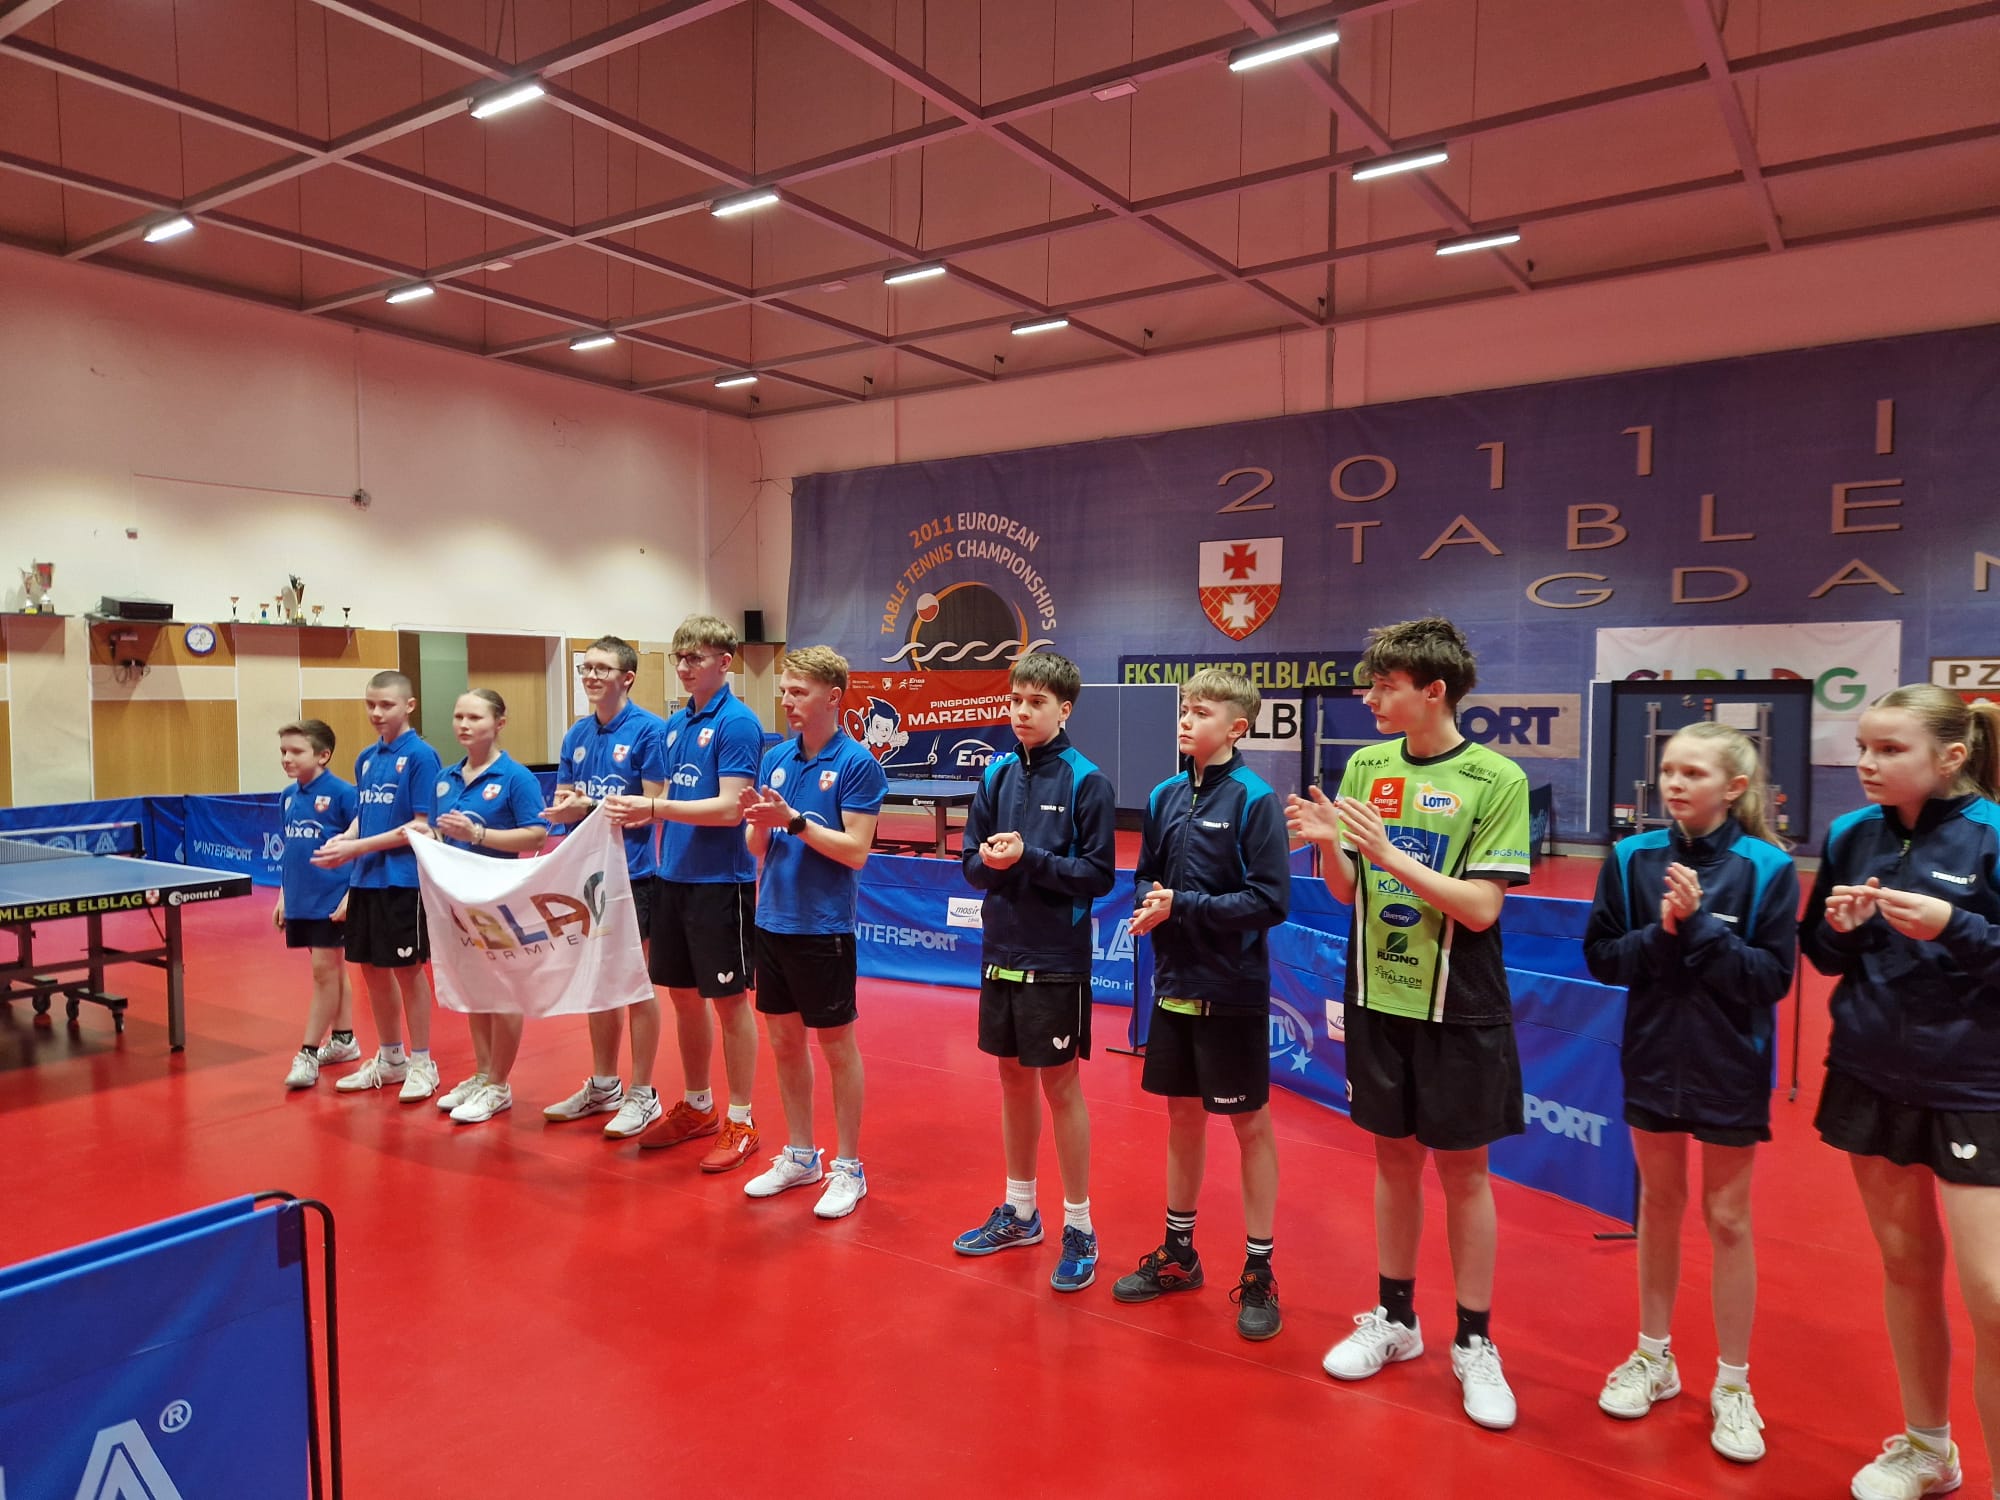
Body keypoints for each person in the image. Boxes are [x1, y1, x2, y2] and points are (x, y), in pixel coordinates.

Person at [1287, 616, 1531, 1429]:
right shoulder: (1366, 765)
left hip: (1459, 1003)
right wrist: (1332, 846)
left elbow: (1483, 908)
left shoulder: (1496, 778)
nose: (1370, 698)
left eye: (1385, 686)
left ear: (1433, 691)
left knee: (1464, 1172)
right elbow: (1348, 893)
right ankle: (1395, 1320)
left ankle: (1475, 1341)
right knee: (1393, 1161)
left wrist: (1392, 855)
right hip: (1376, 996)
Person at [1803, 685, 2000, 1500]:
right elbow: (1821, 954)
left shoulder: (1993, 836)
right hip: (1871, 1072)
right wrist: (1841, 930)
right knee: (1907, 1267)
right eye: (1863, 747)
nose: (1867, 764)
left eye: (1890, 750)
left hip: (1976, 1085)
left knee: (1994, 1298)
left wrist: (1956, 926)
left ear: (1951, 757)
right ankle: (1928, 1448)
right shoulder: (1851, 834)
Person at [1584, 721, 1798, 1464]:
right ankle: (1654, 1356)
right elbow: (1603, 957)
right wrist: (1663, 934)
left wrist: (1700, 927)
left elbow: (1770, 978)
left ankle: (1733, 1384)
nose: (1675, 783)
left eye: (1694, 773)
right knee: (1659, 1206)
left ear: (1734, 788)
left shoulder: (1770, 868)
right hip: (1651, 1058)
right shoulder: (1630, 857)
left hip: (1730, 1067)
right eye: (1669, 770)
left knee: (1728, 1219)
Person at [1112, 668, 1289, 1339]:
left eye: (1202, 712)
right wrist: (1150, 905)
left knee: (1249, 1126)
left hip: (1231, 991)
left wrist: (1180, 905)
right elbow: (1145, 878)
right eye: (1184, 709)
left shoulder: (1254, 799)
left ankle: (1260, 1269)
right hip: (1174, 986)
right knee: (1181, 1118)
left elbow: (1270, 900)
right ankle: (1180, 1253)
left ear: (1237, 727)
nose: (1186, 721)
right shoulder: (1163, 795)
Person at [953, 652, 1117, 1292]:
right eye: (1016, 699)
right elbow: (969, 862)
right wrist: (992, 864)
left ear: (1064, 709)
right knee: (1011, 1080)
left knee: (1060, 1086)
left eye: (1036, 702)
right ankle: (1020, 1211)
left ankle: (1080, 1225)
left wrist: (1029, 858)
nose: (1021, 711)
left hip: (1055, 959)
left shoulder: (1087, 781)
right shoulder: (995, 775)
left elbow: (1099, 875)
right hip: (1000, 951)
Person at [604, 615, 764, 1172]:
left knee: (730, 1002)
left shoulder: (738, 723)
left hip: (721, 884)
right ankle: (699, 1106)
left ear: (725, 662)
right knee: (683, 997)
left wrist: (653, 807)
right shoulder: (675, 725)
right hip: (673, 877)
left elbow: (730, 808)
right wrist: (632, 812)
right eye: (679, 658)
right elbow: (674, 795)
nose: (685, 667)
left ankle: (741, 1118)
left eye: (695, 657)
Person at [738, 646, 886, 1219]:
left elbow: (856, 851)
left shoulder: (857, 763)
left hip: (824, 928)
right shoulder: (775, 758)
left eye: (798, 691)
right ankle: (801, 1155)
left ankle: (849, 1166)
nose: (787, 700)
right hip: (771, 919)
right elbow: (757, 847)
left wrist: (794, 822)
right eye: (784, 690)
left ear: (833, 697)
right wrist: (758, 823)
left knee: (836, 1047)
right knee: (783, 1043)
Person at [540, 636, 670, 1139]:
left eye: (602, 668)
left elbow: (655, 806)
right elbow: (564, 799)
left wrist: (588, 807)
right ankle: (603, 1085)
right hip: (587, 877)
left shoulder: (649, 730)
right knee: (597, 980)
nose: (591, 676)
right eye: (586, 668)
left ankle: (643, 1093)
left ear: (627, 677)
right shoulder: (576, 733)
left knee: (636, 983)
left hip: (634, 875)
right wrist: (565, 809)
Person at [311, 671, 445, 1101]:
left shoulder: (422, 756)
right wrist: (347, 838)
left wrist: (357, 846)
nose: (376, 712)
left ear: (409, 706)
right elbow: (366, 815)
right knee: (371, 969)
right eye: (370, 704)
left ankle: (422, 1062)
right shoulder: (366, 758)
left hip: (403, 880)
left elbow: (421, 826)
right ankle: (391, 1059)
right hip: (365, 878)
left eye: (386, 705)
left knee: (408, 970)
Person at [428, 689, 551, 1126]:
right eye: (458, 716)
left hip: (500, 898)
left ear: (499, 723)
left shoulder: (516, 778)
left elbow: (537, 835)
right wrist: (430, 837)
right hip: (457, 900)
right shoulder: (444, 778)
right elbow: (440, 832)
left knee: (502, 992)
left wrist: (478, 835)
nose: (464, 725)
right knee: (476, 990)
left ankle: (499, 1084)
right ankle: (482, 1074)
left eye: (475, 717)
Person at [275, 719, 358, 1088]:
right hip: (301, 898)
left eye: (296, 751)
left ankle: (307, 1053)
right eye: (283, 751)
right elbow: (291, 850)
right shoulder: (287, 796)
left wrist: (352, 894)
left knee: (324, 972)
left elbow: (362, 848)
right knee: (332, 970)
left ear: (323, 755)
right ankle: (344, 1039)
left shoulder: (344, 794)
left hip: (331, 897)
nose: (287, 758)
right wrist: (283, 895)